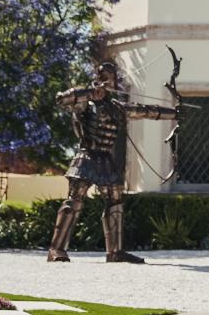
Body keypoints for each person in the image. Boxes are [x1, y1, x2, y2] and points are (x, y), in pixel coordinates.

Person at [47, 62, 177, 263]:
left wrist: (175, 113)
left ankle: (115, 252)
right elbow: (62, 99)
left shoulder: (117, 108)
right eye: (103, 77)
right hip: (86, 157)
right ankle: (57, 250)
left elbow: (147, 111)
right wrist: (90, 91)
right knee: (74, 200)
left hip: (105, 159)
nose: (107, 81)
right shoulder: (85, 103)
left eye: (110, 78)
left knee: (115, 200)